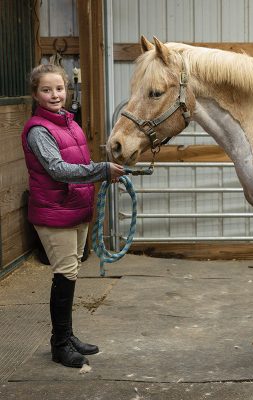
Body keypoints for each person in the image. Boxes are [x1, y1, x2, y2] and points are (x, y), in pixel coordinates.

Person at [21, 64, 125, 368]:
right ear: (35, 94)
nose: (55, 95)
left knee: (72, 271)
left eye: (59, 88)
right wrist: (101, 170)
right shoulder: (39, 130)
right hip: (55, 211)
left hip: (75, 206)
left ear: (67, 90)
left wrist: (101, 169)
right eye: (46, 90)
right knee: (65, 272)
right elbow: (57, 169)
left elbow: (78, 161)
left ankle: (67, 335)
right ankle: (59, 344)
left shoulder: (69, 123)